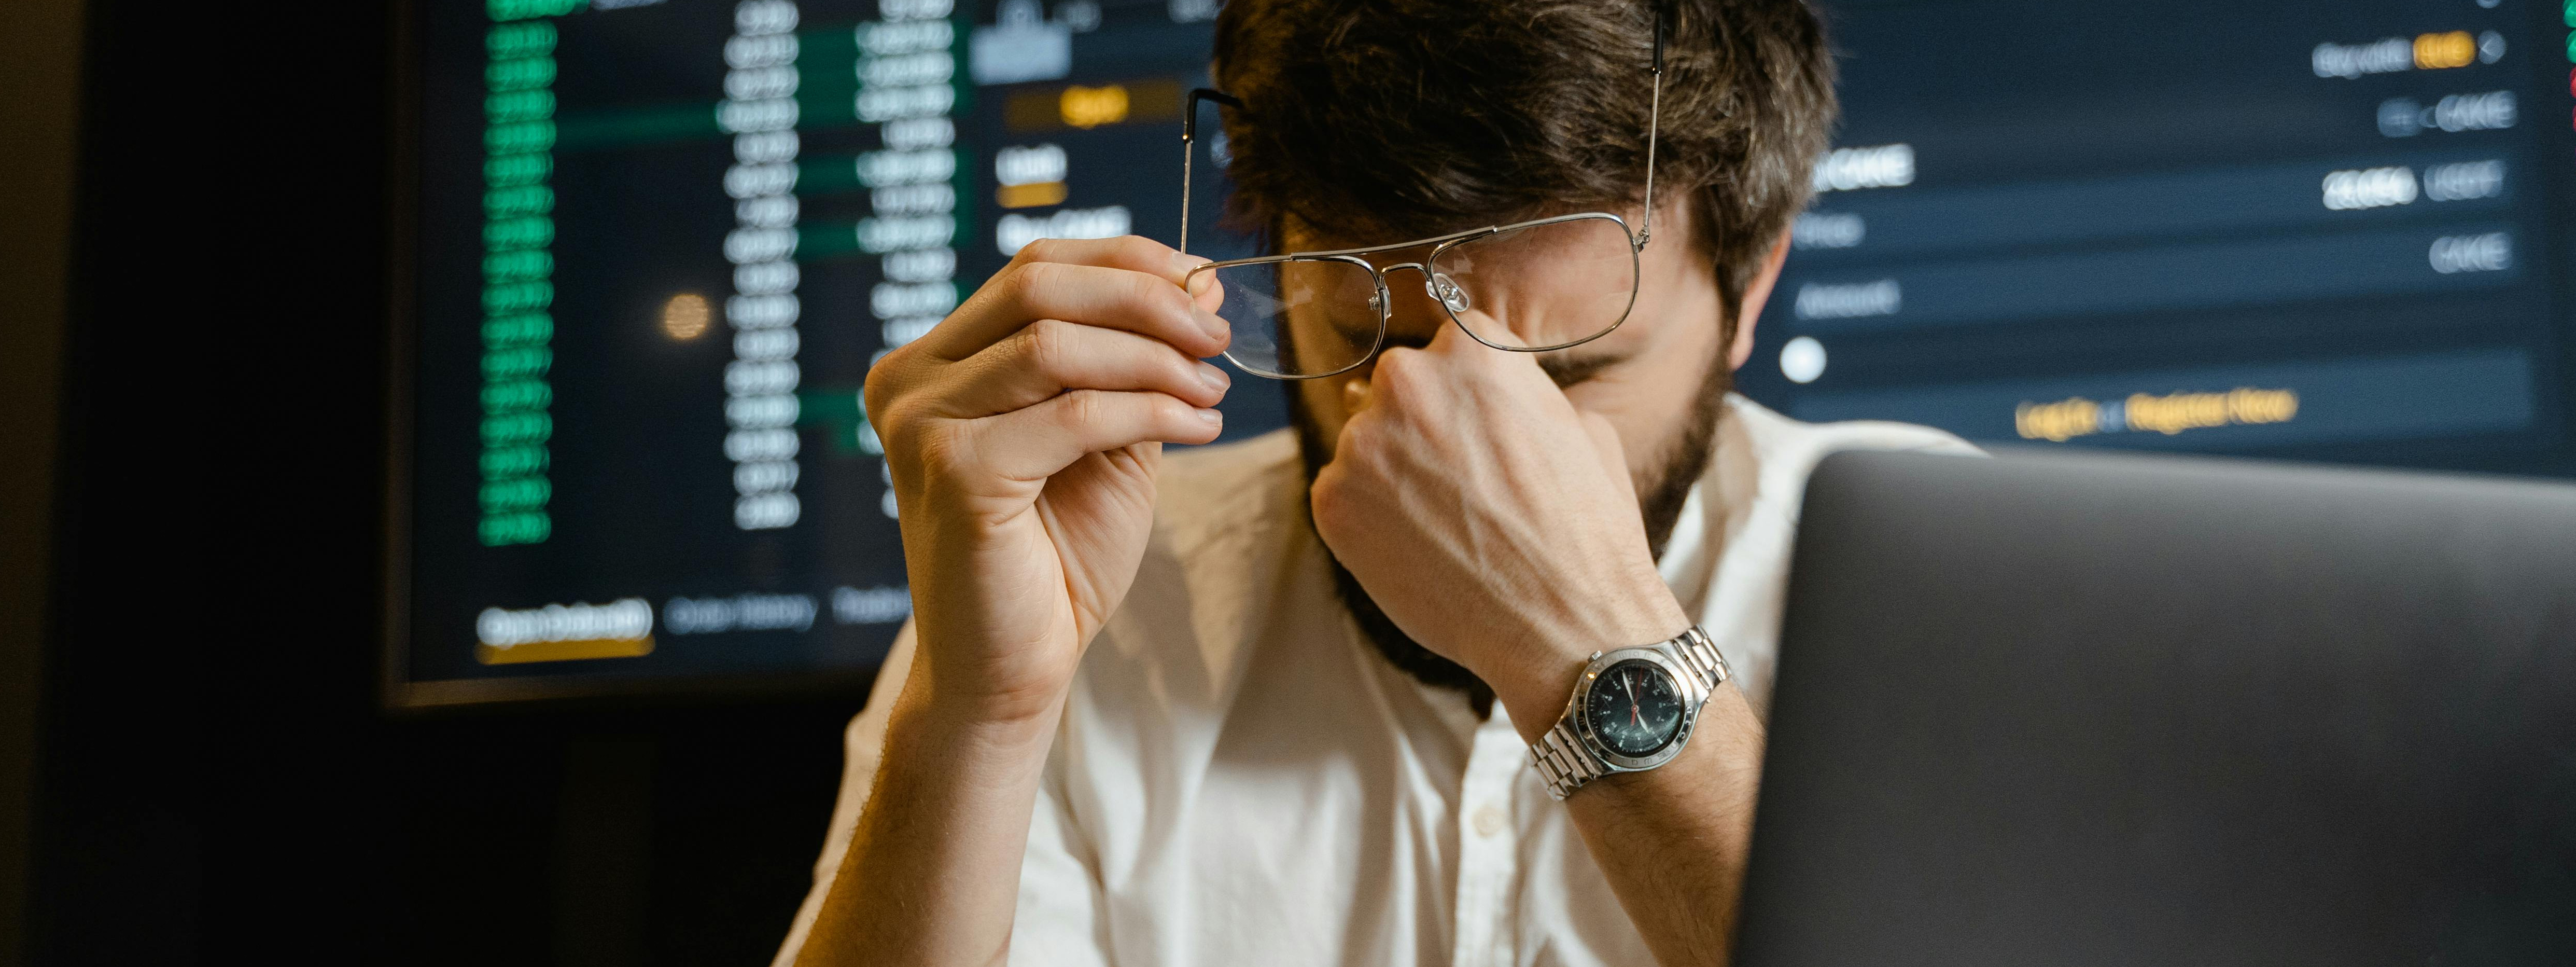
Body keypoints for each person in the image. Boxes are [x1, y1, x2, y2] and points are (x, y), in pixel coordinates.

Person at [776, 1, 1976, 964]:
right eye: (1370, 335)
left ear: (1750, 290)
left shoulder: (1946, 596)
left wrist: (1591, 646)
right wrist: (978, 724)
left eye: (1568, 371)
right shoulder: (1090, 596)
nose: (1450, 443)